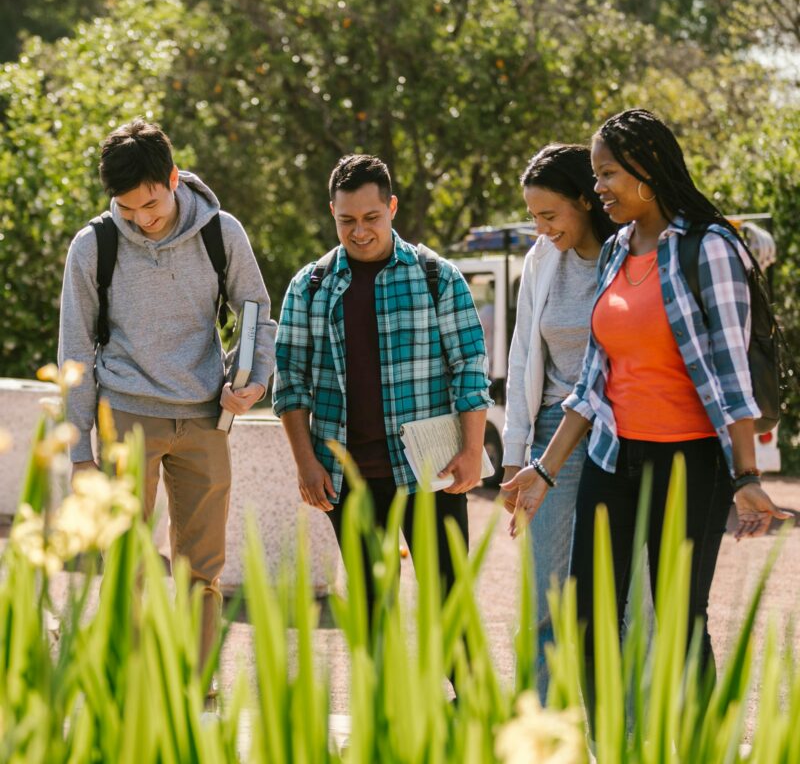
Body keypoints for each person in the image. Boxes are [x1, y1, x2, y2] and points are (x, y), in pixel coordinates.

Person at [502, 108, 790, 703]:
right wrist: (544, 470)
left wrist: (746, 475)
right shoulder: (616, 253)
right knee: (587, 617)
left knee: (681, 622)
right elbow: (592, 382)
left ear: (648, 169)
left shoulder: (708, 248)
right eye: (597, 176)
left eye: (607, 174)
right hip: (614, 457)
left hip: (690, 463)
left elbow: (731, 376)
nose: (598, 186)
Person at [58, 118, 277, 681]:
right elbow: (75, 349)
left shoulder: (220, 233)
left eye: (150, 205)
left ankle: (193, 690)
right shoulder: (94, 245)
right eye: (127, 209)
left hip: (205, 419)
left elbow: (255, 310)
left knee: (201, 569)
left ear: (173, 178)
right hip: (125, 416)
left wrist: (251, 379)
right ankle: (124, 689)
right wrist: (80, 448)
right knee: (124, 561)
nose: (142, 220)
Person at [273, 153, 492, 619]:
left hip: (429, 470)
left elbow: (470, 366)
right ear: (332, 213)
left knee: (449, 600)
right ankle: (388, 694)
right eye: (346, 220)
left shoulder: (437, 276)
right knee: (373, 609)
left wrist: (473, 451)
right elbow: (289, 383)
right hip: (346, 476)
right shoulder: (308, 287)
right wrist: (305, 463)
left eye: (371, 217)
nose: (359, 231)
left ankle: (469, 694)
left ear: (392, 207)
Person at [499, 144, 616, 700]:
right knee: (546, 590)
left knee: (617, 589)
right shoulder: (542, 259)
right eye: (533, 217)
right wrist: (516, 452)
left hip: (618, 436)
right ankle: (539, 724)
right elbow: (524, 353)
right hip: (552, 438)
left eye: (550, 215)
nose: (541, 229)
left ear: (585, 201)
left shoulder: (627, 255)